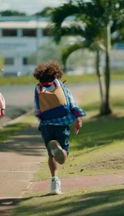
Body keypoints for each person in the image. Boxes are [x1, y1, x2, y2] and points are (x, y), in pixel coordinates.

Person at [33, 61, 86, 194]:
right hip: (62, 125)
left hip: (46, 125)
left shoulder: (38, 88)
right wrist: (79, 119)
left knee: (51, 155)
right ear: (56, 74)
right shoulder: (61, 87)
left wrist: (42, 119)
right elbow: (72, 104)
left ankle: (54, 182)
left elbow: (37, 109)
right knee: (63, 153)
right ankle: (61, 150)